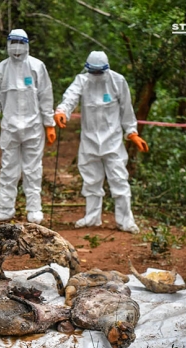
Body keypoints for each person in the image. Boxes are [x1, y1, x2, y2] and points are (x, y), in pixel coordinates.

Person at [54, 51, 148, 234]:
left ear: (106, 69)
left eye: (99, 72)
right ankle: (92, 216)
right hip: (89, 140)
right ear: (88, 69)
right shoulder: (82, 81)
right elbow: (70, 97)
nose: (96, 76)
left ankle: (125, 220)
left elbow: (126, 109)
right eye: (93, 72)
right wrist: (61, 112)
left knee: (119, 180)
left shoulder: (118, 81)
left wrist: (132, 133)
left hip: (112, 141)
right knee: (91, 180)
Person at [0, 29, 56, 224]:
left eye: (20, 43)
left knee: (33, 169)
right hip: (9, 127)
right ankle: (5, 208)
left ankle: (34, 209)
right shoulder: (1, 69)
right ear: (7, 44)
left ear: (27, 44)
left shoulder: (37, 66)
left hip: (33, 127)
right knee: (8, 169)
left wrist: (49, 124)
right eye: (12, 43)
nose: (16, 48)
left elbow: (46, 96)